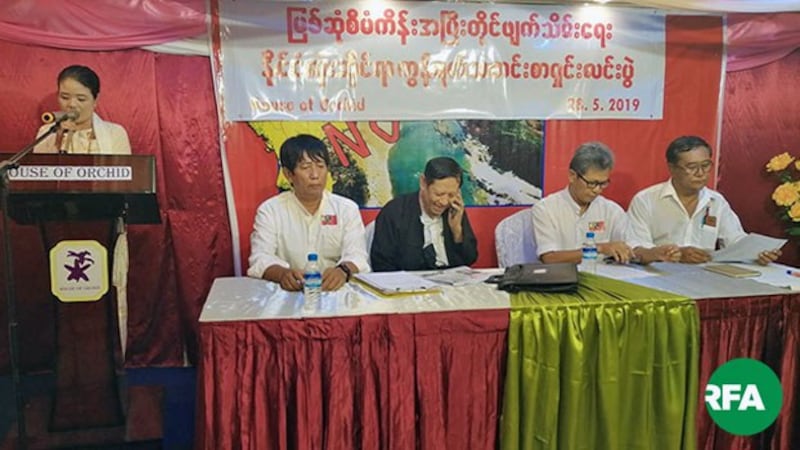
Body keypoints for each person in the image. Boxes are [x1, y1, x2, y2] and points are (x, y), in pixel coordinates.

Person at [627, 135, 781, 265]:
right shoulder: (646, 200)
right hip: (658, 276)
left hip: (707, 274)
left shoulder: (716, 201)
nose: (700, 173)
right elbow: (636, 248)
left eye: (706, 165)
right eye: (692, 167)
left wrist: (758, 253)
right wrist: (675, 255)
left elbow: (735, 241)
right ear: (672, 168)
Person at [247, 134, 370, 291]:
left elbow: (357, 255)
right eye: (305, 167)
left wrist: (343, 271)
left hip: (336, 293)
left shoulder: (346, 209)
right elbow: (260, 258)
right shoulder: (270, 210)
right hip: (288, 294)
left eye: (320, 166)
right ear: (288, 174)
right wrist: (283, 274)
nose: (315, 175)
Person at [532, 141, 634, 264]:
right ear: (572, 176)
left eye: (603, 184)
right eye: (592, 183)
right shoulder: (546, 209)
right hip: (562, 280)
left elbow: (630, 248)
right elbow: (549, 258)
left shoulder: (612, 211)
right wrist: (600, 248)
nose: (597, 190)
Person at [370, 156, 478, 271]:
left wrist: (457, 231)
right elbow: (381, 264)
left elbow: (470, 259)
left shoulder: (454, 209)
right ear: (423, 183)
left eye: (451, 195)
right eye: (439, 194)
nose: (444, 202)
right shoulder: (395, 212)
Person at [34, 65, 130, 154]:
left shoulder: (115, 134)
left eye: (81, 99)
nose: (72, 104)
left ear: (95, 100)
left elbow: (122, 170)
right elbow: (39, 169)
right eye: (65, 97)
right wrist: (57, 141)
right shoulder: (46, 132)